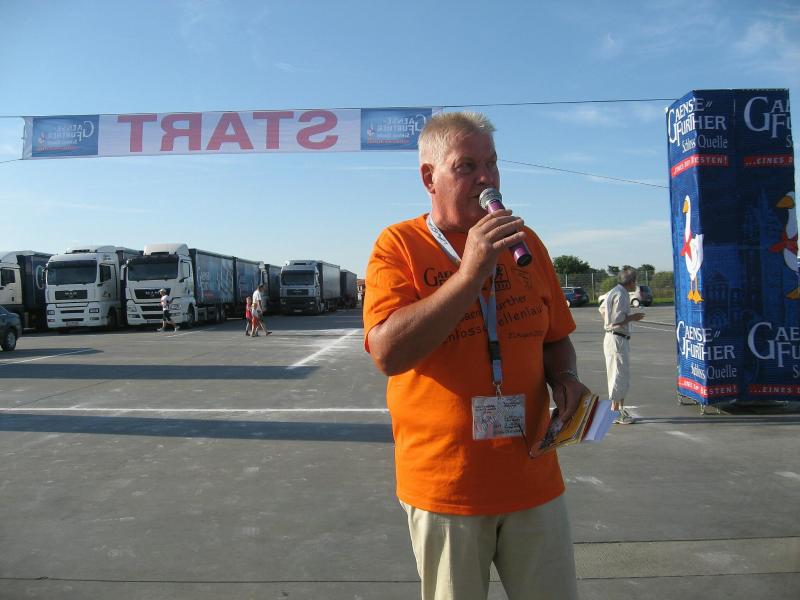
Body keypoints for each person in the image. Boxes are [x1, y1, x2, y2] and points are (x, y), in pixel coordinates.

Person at [363, 111, 586, 600]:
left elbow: (554, 337)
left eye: (492, 164)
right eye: (467, 166)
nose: (486, 178)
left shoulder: (526, 244)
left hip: (534, 478)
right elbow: (388, 353)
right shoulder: (399, 245)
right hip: (448, 490)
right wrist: (469, 275)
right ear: (430, 178)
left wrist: (566, 377)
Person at [600, 267, 645, 425]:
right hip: (617, 338)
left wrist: (608, 323)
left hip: (616, 337)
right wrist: (633, 317)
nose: (636, 284)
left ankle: (618, 409)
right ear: (631, 282)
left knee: (620, 374)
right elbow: (616, 320)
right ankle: (615, 412)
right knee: (618, 374)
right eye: (635, 281)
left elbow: (602, 309)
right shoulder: (620, 294)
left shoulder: (615, 291)